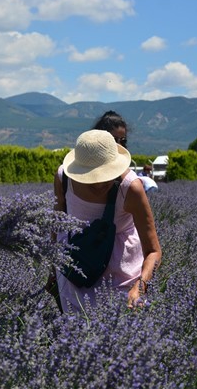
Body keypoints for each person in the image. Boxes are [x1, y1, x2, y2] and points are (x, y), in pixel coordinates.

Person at [51, 130, 162, 313]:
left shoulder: (130, 188)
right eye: (90, 178)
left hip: (121, 282)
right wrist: (52, 270)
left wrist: (140, 287)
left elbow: (153, 251)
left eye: (104, 176)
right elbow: (57, 223)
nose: (99, 184)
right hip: (73, 279)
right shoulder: (63, 179)